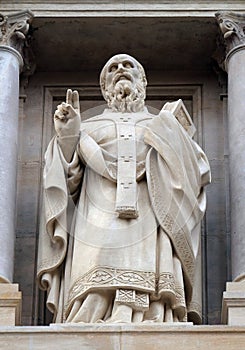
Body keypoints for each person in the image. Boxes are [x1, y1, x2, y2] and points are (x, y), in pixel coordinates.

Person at [37, 54, 210, 324]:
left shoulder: (162, 124)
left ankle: (154, 313)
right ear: (105, 87)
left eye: (129, 66)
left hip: (151, 208)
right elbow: (66, 181)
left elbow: (195, 173)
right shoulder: (88, 128)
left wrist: (172, 141)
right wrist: (69, 136)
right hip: (97, 212)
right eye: (113, 69)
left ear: (143, 81)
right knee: (97, 267)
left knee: (151, 268)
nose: (121, 70)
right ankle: (90, 315)